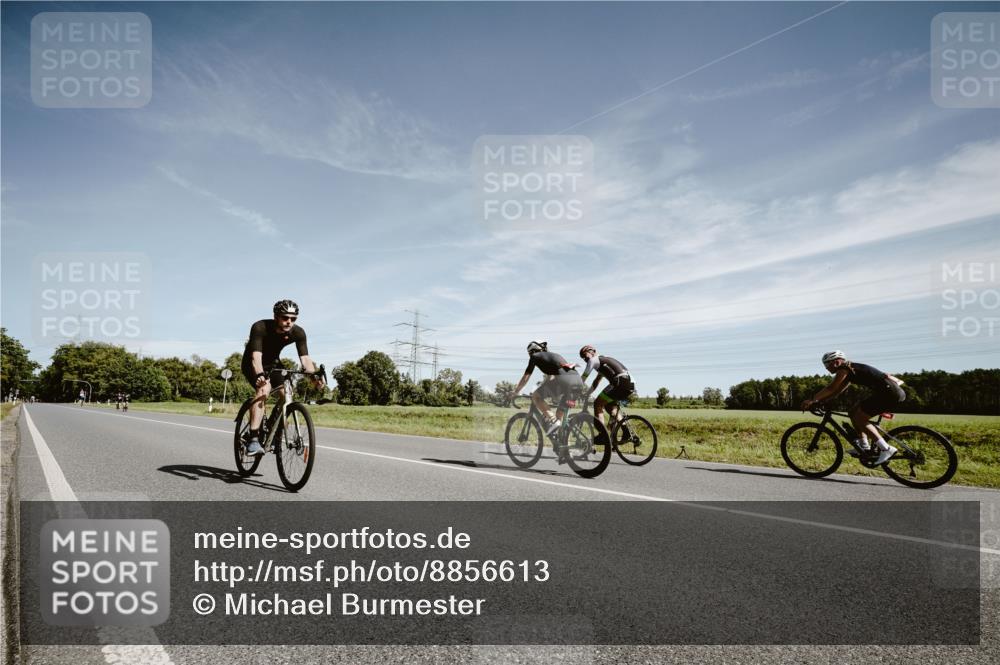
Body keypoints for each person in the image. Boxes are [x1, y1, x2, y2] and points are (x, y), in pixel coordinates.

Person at [240, 299, 321, 455]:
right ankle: (254, 438)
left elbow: (305, 360)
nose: (289, 322)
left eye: (293, 319)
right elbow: (255, 357)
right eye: (285, 317)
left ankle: (274, 430)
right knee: (263, 389)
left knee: (287, 394)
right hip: (253, 364)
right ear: (276, 316)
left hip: (274, 364)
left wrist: (314, 378)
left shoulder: (298, 332)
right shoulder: (260, 327)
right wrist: (259, 375)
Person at [801, 351, 905, 465]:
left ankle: (886, 448)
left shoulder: (844, 369)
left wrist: (812, 399)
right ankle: (864, 446)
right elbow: (838, 390)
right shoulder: (849, 370)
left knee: (860, 418)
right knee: (852, 412)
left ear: (837, 362)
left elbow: (831, 388)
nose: (826, 368)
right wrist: (823, 400)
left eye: (827, 364)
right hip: (888, 392)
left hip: (889, 394)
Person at [511, 341, 584, 438]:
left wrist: (516, 391)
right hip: (578, 382)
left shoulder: (535, 356)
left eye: (529, 354)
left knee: (536, 396)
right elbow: (550, 378)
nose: (529, 356)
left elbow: (526, 376)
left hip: (565, 381)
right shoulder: (553, 356)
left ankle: (553, 420)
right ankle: (563, 444)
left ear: (532, 351)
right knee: (559, 417)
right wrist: (546, 391)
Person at [578, 345, 634, 425]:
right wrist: (587, 393)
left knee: (597, 404)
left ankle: (602, 434)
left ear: (592, 352)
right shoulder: (603, 362)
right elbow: (596, 381)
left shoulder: (593, 360)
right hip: (630, 383)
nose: (584, 359)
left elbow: (583, 378)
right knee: (609, 407)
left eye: (585, 356)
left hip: (619, 382)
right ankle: (626, 433)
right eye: (582, 358)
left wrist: (574, 388)